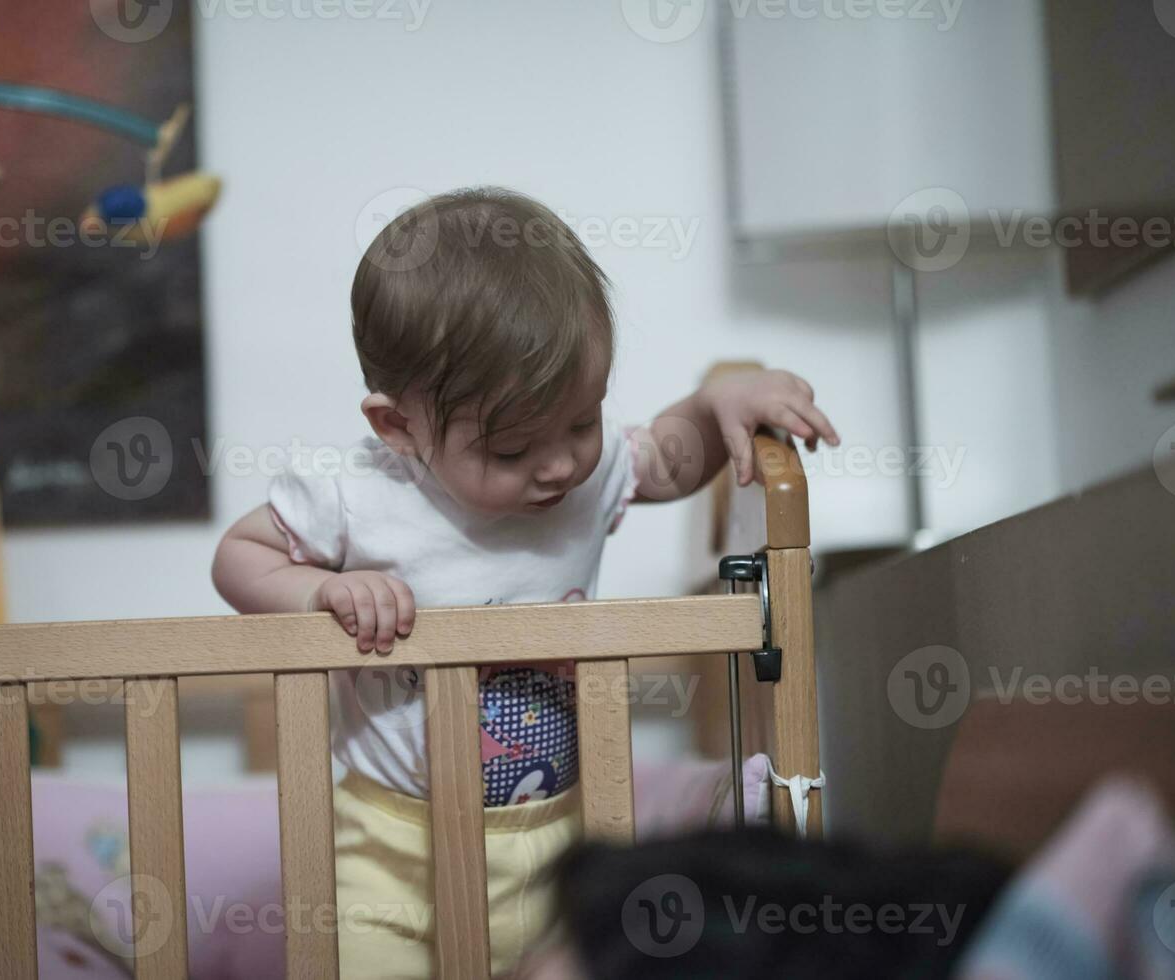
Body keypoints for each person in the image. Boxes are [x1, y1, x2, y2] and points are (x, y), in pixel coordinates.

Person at [212, 186, 839, 978]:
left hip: (566, 833)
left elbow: (667, 460)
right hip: (392, 853)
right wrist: (314, 594)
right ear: (398, 427)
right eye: (510, 452)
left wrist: (718, 400)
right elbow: (237, 554)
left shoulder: (588, 473)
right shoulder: (356, 493)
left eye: (582, 422)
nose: (559, 465)